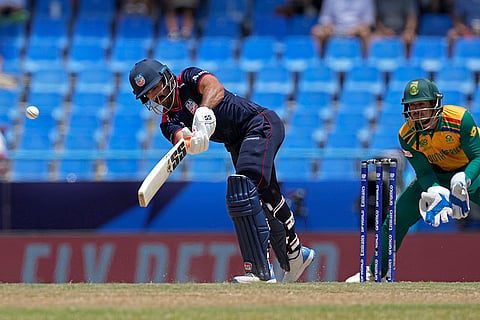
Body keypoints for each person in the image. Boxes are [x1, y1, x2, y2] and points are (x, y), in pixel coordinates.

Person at [129, 58, 315, 283]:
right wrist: (193, 141)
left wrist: (204, 110)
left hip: (260, 123)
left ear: (166, 76)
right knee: (267, 196)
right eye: (149, 94)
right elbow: (182, 139)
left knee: (244, 189)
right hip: (237, 143)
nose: (156, 96)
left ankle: (261, 272)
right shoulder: (167, 122)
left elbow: (214, 87)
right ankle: (295, 255)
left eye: (156, 87)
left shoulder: (187, 78)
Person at [346, 78, 480, 282]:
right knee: (395, 219)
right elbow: (424, 171)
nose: (417, 111)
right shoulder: (407, 135)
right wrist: (434, 189)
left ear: (435, 104)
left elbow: (478, 156)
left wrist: (465, 179)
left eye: (422, 105)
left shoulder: (460, 119)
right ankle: (375, 272)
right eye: (412, 106)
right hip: (436, 175)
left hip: (471, 172)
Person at [310, 0, 375, 57]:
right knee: (317, 31)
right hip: (334, 28)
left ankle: (365, 62)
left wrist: (356, 29)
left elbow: (368, 20)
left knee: (366, 32)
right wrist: (328, 25)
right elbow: (325, 18)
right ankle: (319, 62)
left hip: (357, 29)